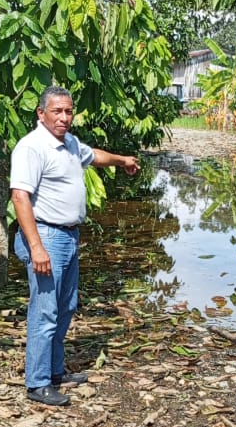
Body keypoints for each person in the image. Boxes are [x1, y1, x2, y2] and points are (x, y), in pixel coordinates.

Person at [10, 85, 140, 406]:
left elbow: (93, 155)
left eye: (68, 111)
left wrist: (122, 160)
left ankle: (55, 372)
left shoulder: (69, 144)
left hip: (68, 237)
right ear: (41, 113)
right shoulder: (32, 147)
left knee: (66, 307)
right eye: (57, 111)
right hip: (45, 236)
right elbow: (20, 197)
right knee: (45, 311)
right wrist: (36, 247)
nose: (64, 118)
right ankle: (37, 383)